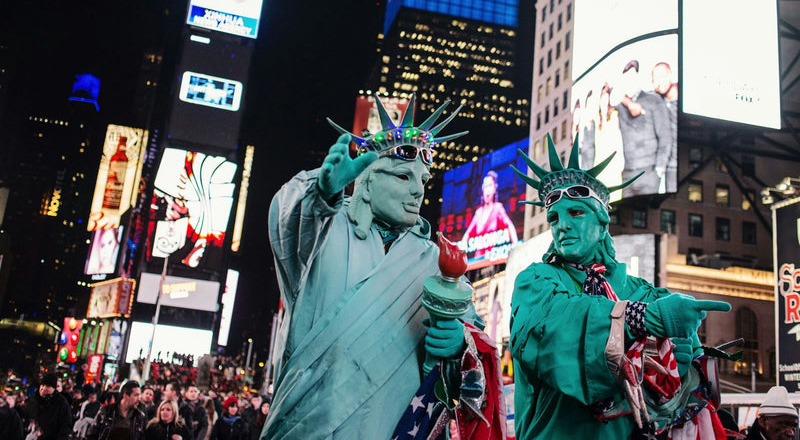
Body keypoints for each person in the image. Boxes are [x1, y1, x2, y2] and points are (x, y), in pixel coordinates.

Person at [265, 94, 503, 439]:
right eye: (403, 177)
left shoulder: (436, 262)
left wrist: (459, 346)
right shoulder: (322, 229)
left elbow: (474, 364)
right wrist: (321, 192)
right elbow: (286, 222)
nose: (418, 191)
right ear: (368, 179)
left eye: (423, 180)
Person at [509, 135, 732, 439]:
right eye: (554, 217)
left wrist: (682, 365)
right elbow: (552, 330)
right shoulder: (536, 282)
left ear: (602, 223)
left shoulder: (645, 293)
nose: (562, 225)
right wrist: (640, 318)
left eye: (576, 212)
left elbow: (683, 400)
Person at [612, 59, 672, 196]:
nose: (630, 81)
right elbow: (609, 93)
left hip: (649, 173)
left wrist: (659, 169)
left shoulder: (653, 100)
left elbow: (665, 136)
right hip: (627, 174)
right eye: (626, 78)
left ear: (638, 78)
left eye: (633, 76)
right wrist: (628, 102)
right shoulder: (620, 106)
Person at [461, 170, 518, 260]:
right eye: (485, 186)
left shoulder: (497, 208)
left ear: (494, 188)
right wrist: (460, 251)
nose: (487, 189)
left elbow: (510, 226)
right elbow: (468, 234)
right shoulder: (479, 212)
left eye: (490, 185)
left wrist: (516, 247)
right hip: (478, 260)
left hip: (492, 258)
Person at [652, 62, 678, 193]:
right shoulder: (656, 99)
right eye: (655, 78)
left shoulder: (685, 97)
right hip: (664, 165)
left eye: (662, 76)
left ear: (670, 75)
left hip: (678, 164)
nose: (659, 81)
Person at [24, 372, 72, 440]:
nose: (43, 388)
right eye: (42, 385)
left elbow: (65, 424)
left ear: (53, 388)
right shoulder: (34, 401)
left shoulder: (61, 402)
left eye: (47, 386)